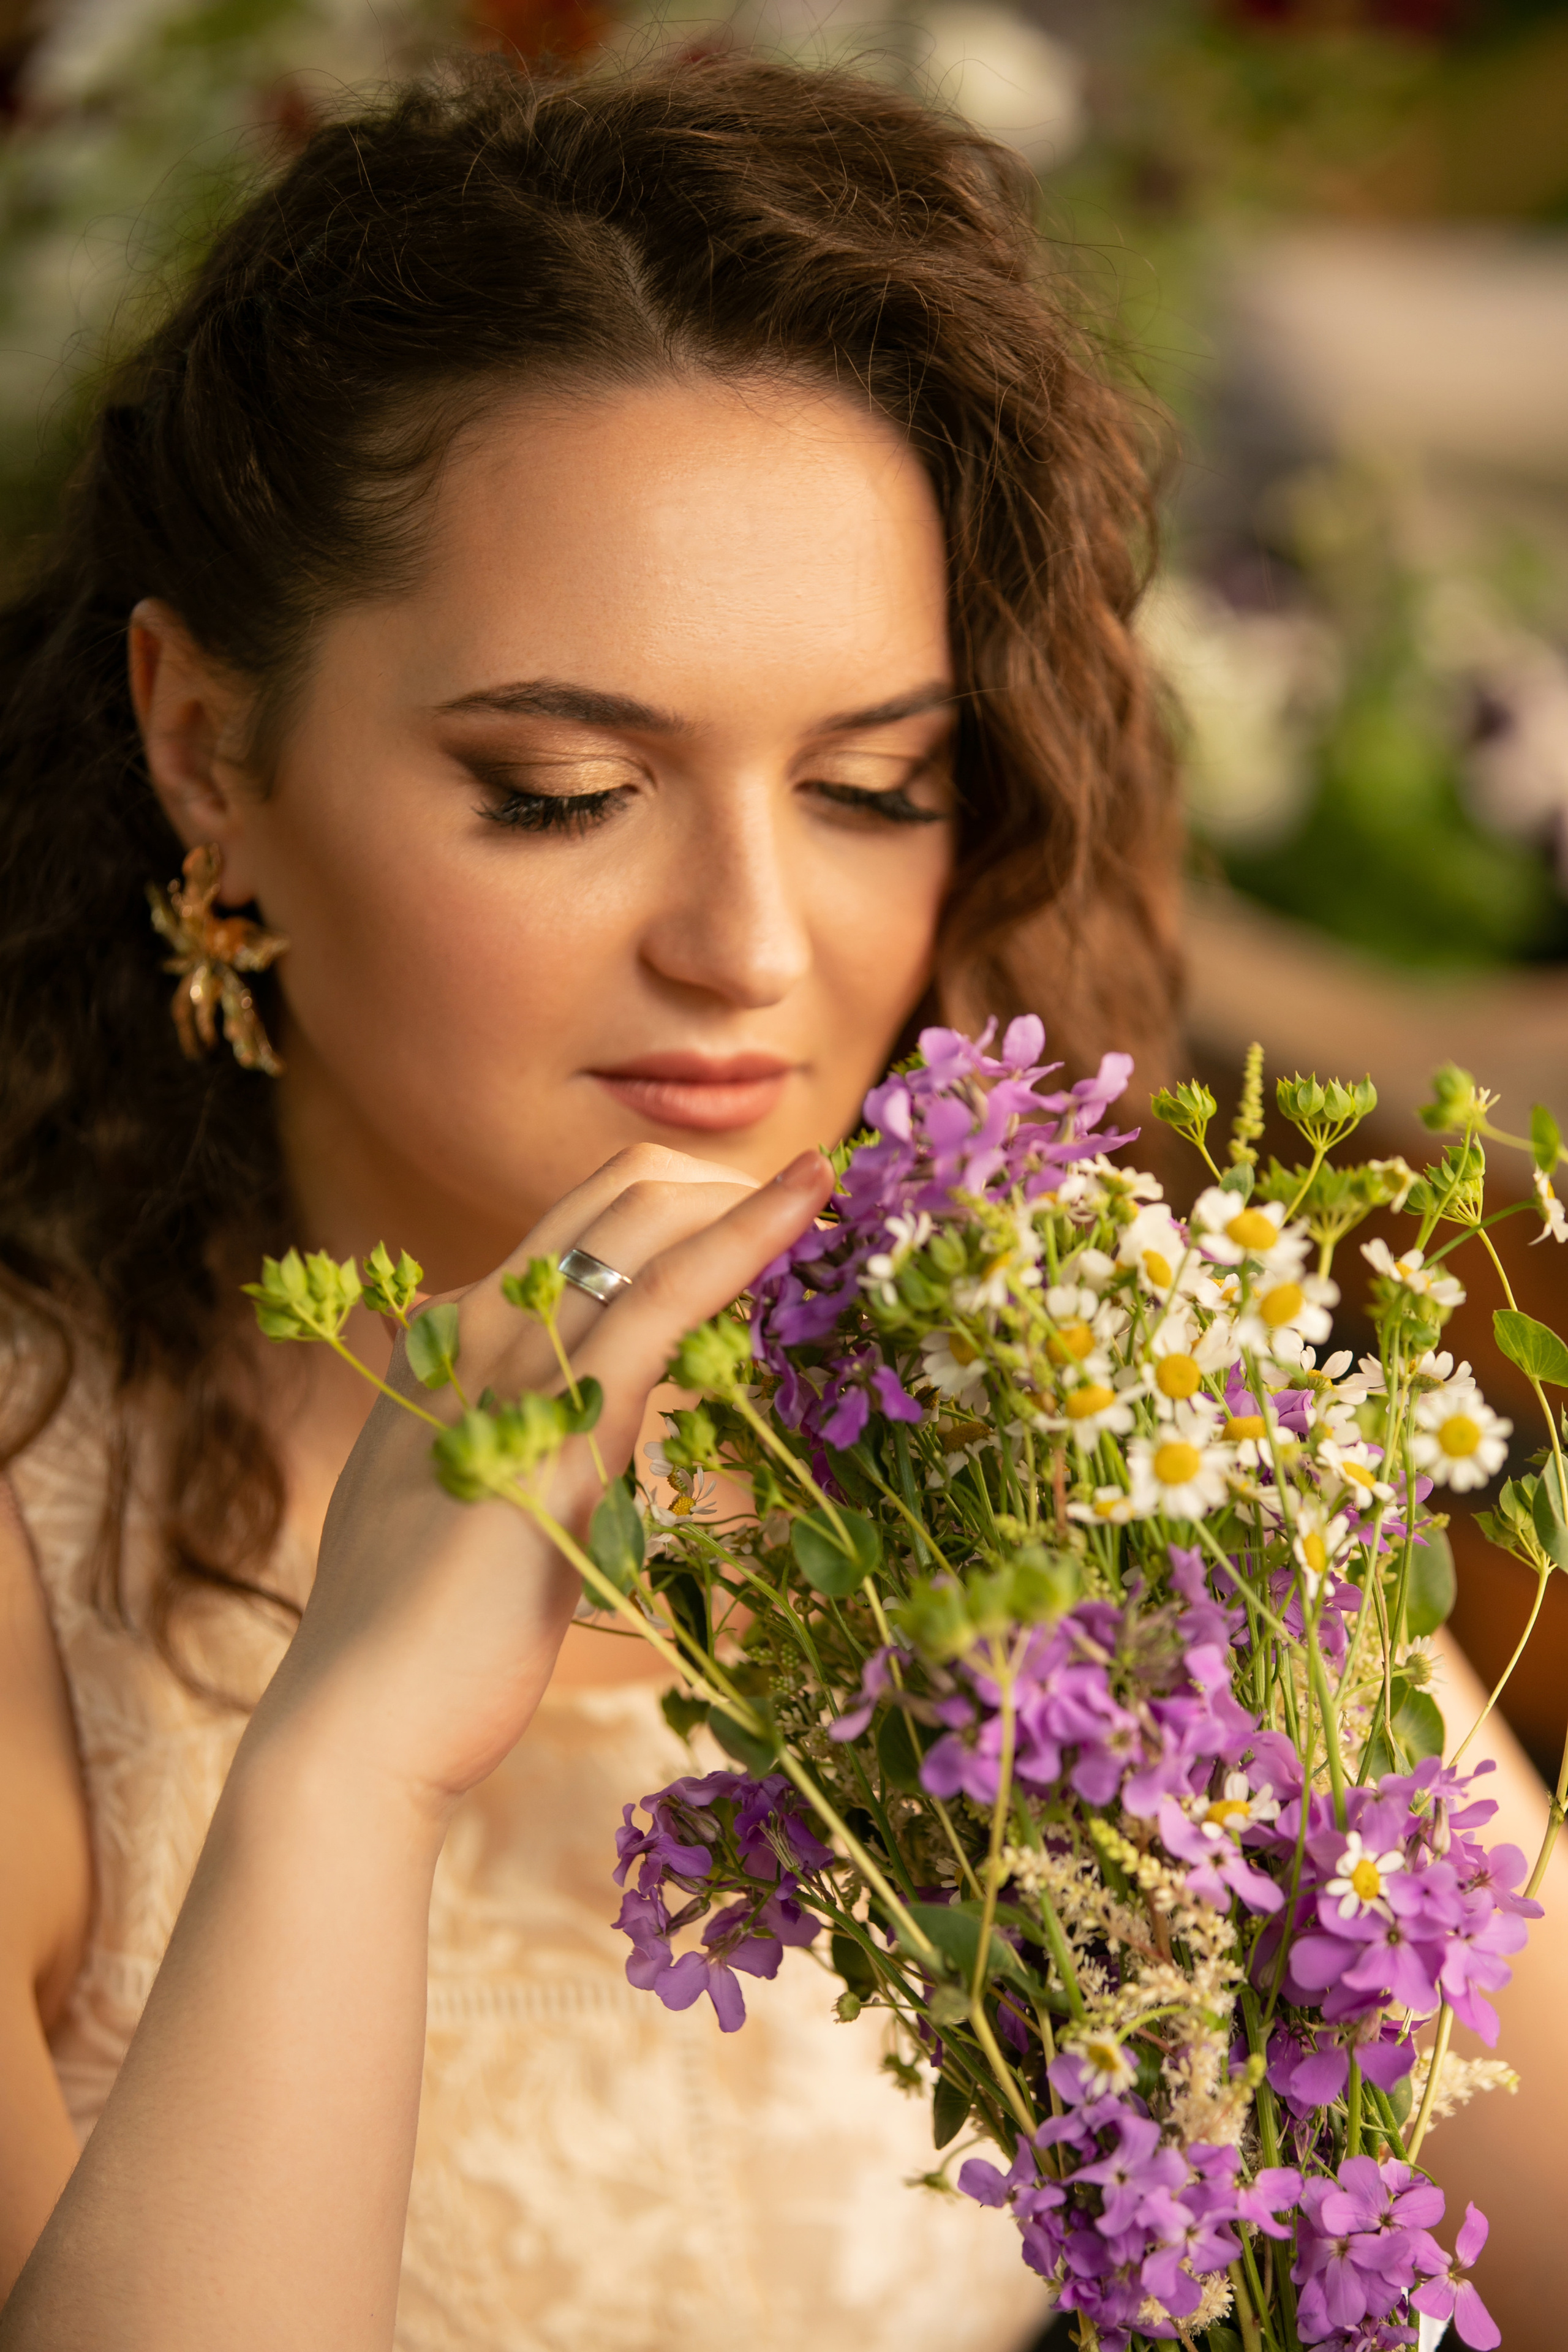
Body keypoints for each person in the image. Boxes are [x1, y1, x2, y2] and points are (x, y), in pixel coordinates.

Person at [0, 50, 1180, 2352]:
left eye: (871, 785)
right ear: (206, 748)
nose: (750, 946)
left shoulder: (1066, 1440)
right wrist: (344, 1772)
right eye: (563, 791)